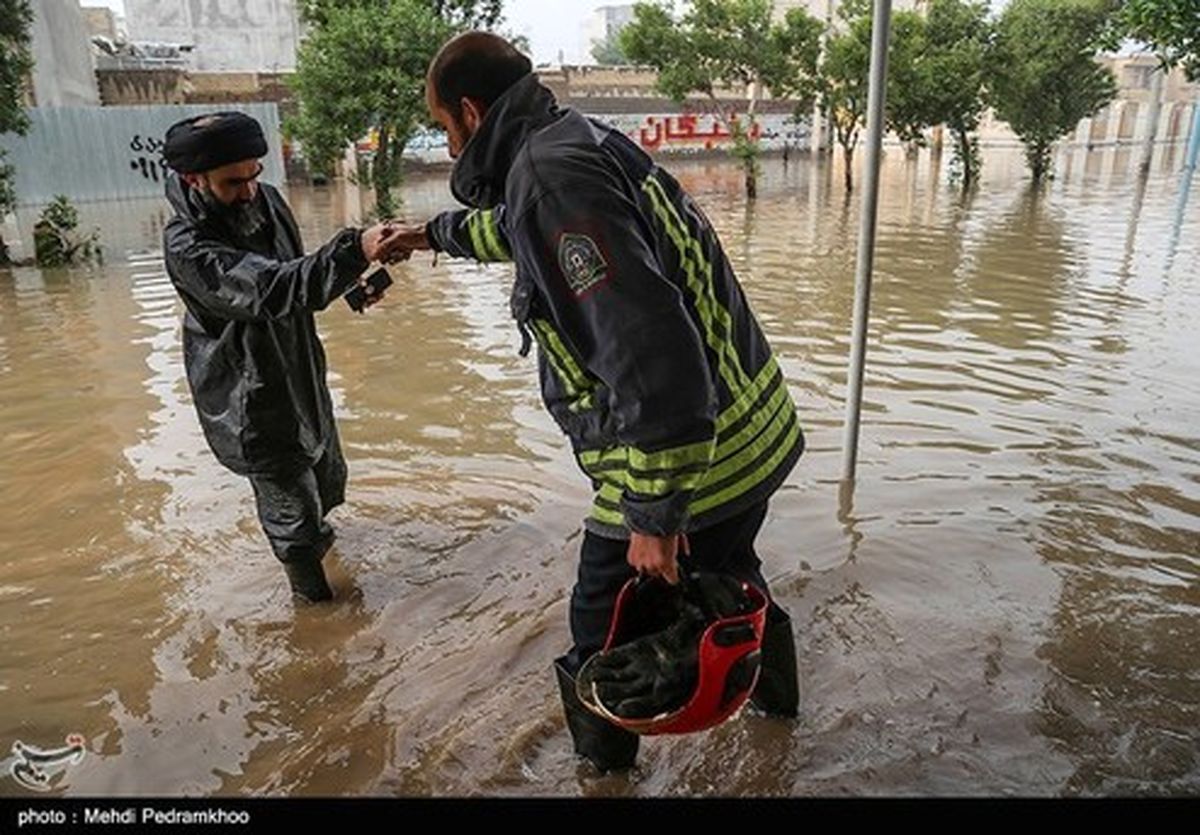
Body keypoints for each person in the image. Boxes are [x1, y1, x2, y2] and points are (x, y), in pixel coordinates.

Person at [391, 32, 805, 772]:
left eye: (447, 130)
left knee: (599, 623)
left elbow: (652, 357)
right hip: (752, 425)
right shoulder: (571, 144)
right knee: (730, 579)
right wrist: (428, 235)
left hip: (692, 449)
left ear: (470, 112)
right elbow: (524, 232)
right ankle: (781, 726)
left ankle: (603, 777)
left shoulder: (549, 177)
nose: (450, 147)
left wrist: (653, 515)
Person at [162, 111, 404, 604]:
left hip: (300, 373)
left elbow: (294, 273)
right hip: (249, 398)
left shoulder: (266, 200)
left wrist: (349, 282)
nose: (250, 191)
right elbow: (270, 290)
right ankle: (316, 624)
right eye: (233, 182)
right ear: (193, 179)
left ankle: (330, 575)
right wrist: (354, 249)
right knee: (294, 528)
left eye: (254, 175)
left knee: (326, 484)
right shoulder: (188, 246)